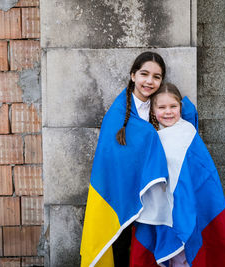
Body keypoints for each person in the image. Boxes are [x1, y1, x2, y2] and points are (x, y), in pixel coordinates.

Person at [80, 52, 197, 267]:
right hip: (122, 194)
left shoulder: (160, 107)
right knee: (122, 245)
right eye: (144, 74)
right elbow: (111, 161)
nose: (149, 81)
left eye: (156, 76)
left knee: (147, 249)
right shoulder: (117, 114)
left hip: (155, 196)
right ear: (133, 75)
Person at [130, 83, 225, 266]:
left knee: (184, 255)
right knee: (162, 255)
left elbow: (202, 174)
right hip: (159, 207)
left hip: (186, 205)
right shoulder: (150, 136)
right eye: (161, 107)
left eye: (173, 106)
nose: (168, 112)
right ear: (153, 110)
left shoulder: (188, 132)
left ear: (180, 107)